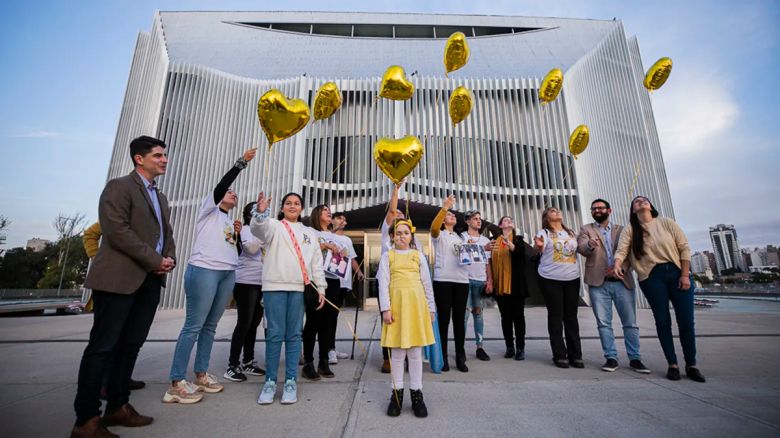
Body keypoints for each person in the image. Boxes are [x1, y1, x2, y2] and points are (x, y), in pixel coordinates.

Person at [72, 135, 176, 438]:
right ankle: (86, 420)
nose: (164, 159)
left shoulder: (161, 197)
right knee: (103, 347)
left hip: (149, 280)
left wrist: (168, 257)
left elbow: (165, 234)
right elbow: (117, 231)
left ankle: (118, 406)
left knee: (131, 346)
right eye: (158, 155)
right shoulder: (119, 187)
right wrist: (155, 259)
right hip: (119, 279)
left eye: (164, 155)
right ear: (139, 159)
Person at [166, 148, 257, 404]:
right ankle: (175, 382)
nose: (233, 193)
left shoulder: (230, 222)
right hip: (204, 270)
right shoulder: (208, 210)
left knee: (210, 326)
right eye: (230, 193)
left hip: (227, 273)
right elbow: (221, 186)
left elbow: (237, 252)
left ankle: (201, 374)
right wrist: (241, 164)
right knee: (193, 325)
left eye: (234, 193)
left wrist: (239, 236)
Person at [614, 196, 705, 383]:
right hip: (651, 278)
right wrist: (617, 264)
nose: (641, 202)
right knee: (662, 321)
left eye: (644, 200)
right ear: (632, 210)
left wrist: (685, 275)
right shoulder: (631, 230)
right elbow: (622, 251)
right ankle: (672, 364)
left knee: (686, 322)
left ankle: (691, 364)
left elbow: (684, 248)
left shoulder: (666, 223)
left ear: (651, 206)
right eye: (636, 201)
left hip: (677, 273)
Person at [250, 192, 327, 405]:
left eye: (296, 203)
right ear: (282, 207)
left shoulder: (310, 233)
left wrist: (321, 287)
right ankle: (270, 382)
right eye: (288, 203)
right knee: (274, 334)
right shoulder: (273, 225)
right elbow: (258, 229)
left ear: (301, 208)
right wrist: (261, 212)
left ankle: (291, 381)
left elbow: (316, 263)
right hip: (274, 286)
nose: (292, 206)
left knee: (294, 335)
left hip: (299, 289)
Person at [577, 199, 650, 374]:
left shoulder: (623, 230)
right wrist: (590, 245)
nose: (596, 210)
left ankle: (635, 358)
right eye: (593, 208)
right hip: (597, 283)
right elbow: (581, 248)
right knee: (603, 323)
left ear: (609, 210)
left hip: (622, 281)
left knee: (630, 323)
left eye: (600, 208)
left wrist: (622, 268)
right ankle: (611, 357)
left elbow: (631, 253)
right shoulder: (586, 229)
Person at [379, 219, 436, 418]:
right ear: (392, 236)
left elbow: (427, 284)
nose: (402, 236)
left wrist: (431, 308)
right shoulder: (388, 257)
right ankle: (396, 395)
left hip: (416, 307)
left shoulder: (418, 256)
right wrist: (385, 308)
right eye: (398, 233)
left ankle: (417, 395)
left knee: (414, 353)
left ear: (411, 236)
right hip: (396, 307)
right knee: (396, 354)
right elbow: (383, 283)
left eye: (406, 233)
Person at [82, 221, 147, 395]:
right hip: (112, 280)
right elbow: (89, 234)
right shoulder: (116, 217)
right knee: (109, 336)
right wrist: (95, 256)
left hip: (132, 280)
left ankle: (120, 379)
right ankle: (103, 385)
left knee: (127, 336)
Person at [533, 207, 583, 369]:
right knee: (556, 316)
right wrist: (539, 246)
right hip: (550, 279)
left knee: (571, 316)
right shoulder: (544, 232)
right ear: (547, 217)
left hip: (572, 278)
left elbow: (578, 250)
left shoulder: (570, 232)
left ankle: (576, 355)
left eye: (558, 210)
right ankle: (560, 355)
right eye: (552, 211)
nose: (557, 212)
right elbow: (538, 248)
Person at [224, 202, 267, 382]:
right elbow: (250, 249)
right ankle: (232, 365)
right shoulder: (246, 230)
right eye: (258, 211)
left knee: (254, 323)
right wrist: (262, 237)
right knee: (244, 323)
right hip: (245, 281)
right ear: (250, 214)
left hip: (262, 282)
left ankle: (248, 361)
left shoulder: (263, 231)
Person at [430, 195, 470, 372]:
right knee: (444, 320)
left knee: (459, 321)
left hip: (462, 280)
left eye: (454, 214)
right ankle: (443, 357)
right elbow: (433, 228)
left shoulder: (461, 238)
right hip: (443, 280)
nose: (452, 216)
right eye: (449, 215)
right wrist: (445, 207)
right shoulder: (439, 235)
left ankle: (460, 357)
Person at [301, 204, 340, 380]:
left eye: (329, 210)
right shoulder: (309, 231)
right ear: (317, 214)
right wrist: (324, 245)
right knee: (313, 322)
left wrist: (340, 251)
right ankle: (308, 362)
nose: (329, 212)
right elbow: (305, 251)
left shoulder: (334, 235)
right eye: (325, 210)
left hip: (333, 280)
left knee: (328, 323)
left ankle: (323, 361)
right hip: (315, 281)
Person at [490, 215, 534, 361]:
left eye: (511, 220)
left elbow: (520, 254)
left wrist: (511, 246)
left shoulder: (519, 240)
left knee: (518, 317)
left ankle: (521, 348)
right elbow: (489, 261)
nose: (509, 221)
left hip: (516, 285)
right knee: (505, 317)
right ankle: (509, 346)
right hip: (500, 285)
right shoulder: (494, 242)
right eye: (506, 220)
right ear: (500, 225)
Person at [330, 212, 364, 363]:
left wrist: (359, 272)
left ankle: (331, 347)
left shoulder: (347, 240)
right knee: (328, 316)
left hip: (343, 281)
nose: (342, 220)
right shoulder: (327, 236)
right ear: (332, 220)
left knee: (334, 316)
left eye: (344, 219)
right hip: (330, 280)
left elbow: (352, 259)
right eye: (339, 218)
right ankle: (328, 349)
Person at [461, 210, 493, 361]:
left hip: (480, 280)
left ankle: (480, 347)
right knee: (465, 315)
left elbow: (487, 262)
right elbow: (461, 255)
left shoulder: (485, 240)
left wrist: (490, 280)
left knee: (478, 314)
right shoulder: (462, 237)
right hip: (465, 280)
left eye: (480, 219)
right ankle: (460, 348)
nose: (478, 221)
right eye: (475, 219)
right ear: (467, 221)